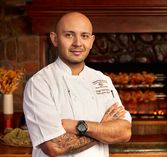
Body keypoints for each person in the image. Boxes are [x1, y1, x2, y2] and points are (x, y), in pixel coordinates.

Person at [23, 12, 132, 157]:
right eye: (69, 35)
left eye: (84, 36)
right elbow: (54, 146)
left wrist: (79, 126)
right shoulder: (39, 84)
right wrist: (102, 128)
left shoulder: (102, 80)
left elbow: (124, 132)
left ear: (92, 41)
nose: (78, 43)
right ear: (54, 39)